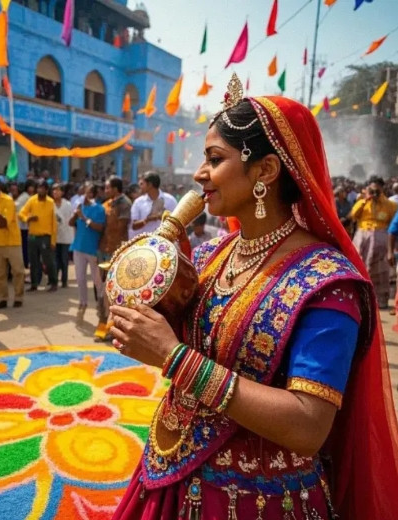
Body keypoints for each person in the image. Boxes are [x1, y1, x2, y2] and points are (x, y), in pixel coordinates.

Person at [109, 80, 398, 519]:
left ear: (264, 172)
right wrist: (149, 285)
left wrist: (173, 356)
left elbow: (308, 425)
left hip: (257, 498)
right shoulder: (209, 255)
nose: (199, 174)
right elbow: (179, 332)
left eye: (215, 159)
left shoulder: (326, 283)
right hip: (169, 474)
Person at [350, 176, 397, 309]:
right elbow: (353, 215)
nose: (375, 193)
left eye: (378, 190)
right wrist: (365, 200)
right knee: (360, 267)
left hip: (380, 242)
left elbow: (393, 223)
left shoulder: (390, 204)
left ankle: (381, 301)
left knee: (381, 271)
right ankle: (359, 299)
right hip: (363, 239)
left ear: (382, 189)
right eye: (372, 190)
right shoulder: (362, 202)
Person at [95, 176, 131, 340]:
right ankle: (104, 328)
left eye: (108, 188)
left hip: (117, 253)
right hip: (104, 251)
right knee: (102, 293)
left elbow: (121, 229)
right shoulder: (107, 204)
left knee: (113, 294)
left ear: (116, 189)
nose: (105, 190)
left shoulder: (124, 204)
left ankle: (112, 330)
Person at [0, 176, 24, 309]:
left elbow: (3, 224)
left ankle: (18, 297)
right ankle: (2, 299)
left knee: (17, 271)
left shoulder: (8, 200)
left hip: (11, 241)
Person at [69, 183, 106, 321]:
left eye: (88, 193)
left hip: (93, 250)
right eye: (84, 192)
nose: (85, 195)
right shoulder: (80, 207)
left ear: (94, 195)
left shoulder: (99, 209)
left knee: (97, 281)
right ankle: (82, 303)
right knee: (80, 279)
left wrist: (83, 217)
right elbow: (70, 223)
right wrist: (76, 214)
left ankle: (101, 307)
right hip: (78, 248)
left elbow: (99, 228)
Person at [19, 179, 58, 292]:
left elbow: (54, 223)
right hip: (32, 236)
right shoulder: (32, 200)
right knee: (33, 261)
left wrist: (53, 241)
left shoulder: (51, 202)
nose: (40, 190)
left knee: (48, 260)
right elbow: (21, 213)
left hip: (45, 236)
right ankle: (34, 284)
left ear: (46, 190)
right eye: (38, 188)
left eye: (42, 188)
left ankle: (53, 282)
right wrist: (28, 218)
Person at [130, 172, 177, 238]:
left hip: (165, 242)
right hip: (145, 243)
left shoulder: (170, 200)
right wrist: (147, 220)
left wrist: (163, 216)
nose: (140, 187)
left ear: (149, 185)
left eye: (142, 184)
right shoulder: (138, 202)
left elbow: (176, 223)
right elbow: (134, 226)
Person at [51, 183, 74, 288]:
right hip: (54, 236)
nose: (55, 192)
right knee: (55, 259)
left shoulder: (68, 204)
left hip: (66, 236)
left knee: (64, 259)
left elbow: (71, 220)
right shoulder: (50, 204)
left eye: (58, 190)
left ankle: (64, 280)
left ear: (62, 192)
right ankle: (54, 280)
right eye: (54, 190)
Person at [10, 180, 31, 269]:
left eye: (15, 188)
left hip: (23, 228)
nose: (13, 190)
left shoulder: (25, 197)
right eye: (12, 189)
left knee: (23, 250)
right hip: (11, 228)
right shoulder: (8, 197)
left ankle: (24, 268)